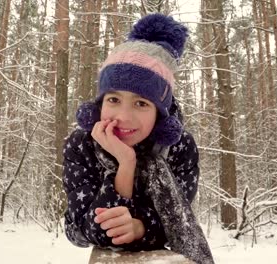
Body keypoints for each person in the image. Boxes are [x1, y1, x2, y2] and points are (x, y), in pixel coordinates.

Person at [62, 13, 214, 264]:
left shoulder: (179, 148)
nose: (123, 116)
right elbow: (79, 230)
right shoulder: (81, 145)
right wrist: (125, 163)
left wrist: (141, 227)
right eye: (113, 100)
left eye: (141, 103)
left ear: (159, 113)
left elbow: (175, 223)